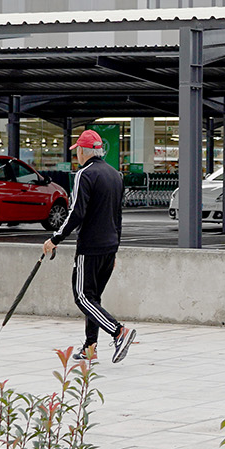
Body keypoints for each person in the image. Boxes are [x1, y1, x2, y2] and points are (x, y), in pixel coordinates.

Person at [41, 129, 138, 363]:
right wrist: (115, 248)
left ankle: (119, 332)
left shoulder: (85, 174)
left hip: (90, 247)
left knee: (83, 297)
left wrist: (55, 238)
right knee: (93, 299)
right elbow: (118, 216)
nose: (77, 157)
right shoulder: (116, 175)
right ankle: (90, 347)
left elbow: (76, 212)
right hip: (109, 247)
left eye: (77, 152)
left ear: (84, 152)